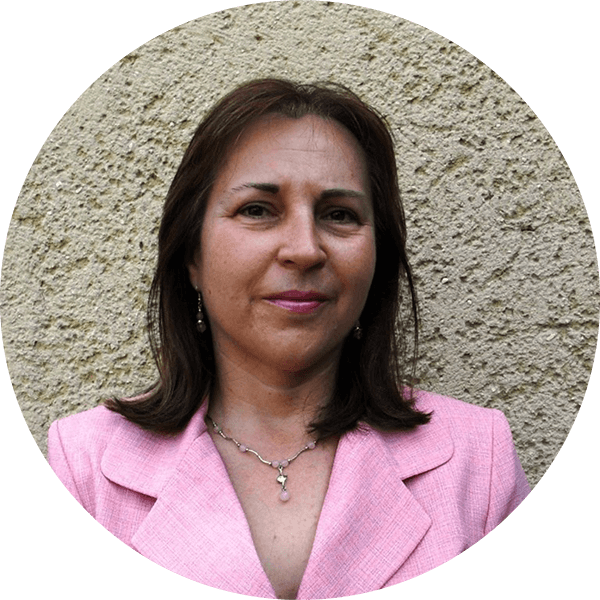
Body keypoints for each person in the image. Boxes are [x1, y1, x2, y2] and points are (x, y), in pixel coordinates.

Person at [48, 78, 530, 599]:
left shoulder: (477, 461)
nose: (304, 249)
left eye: (339, 215)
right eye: (257, 209)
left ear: (377, 260)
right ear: (192, 255)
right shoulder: (85, 465)